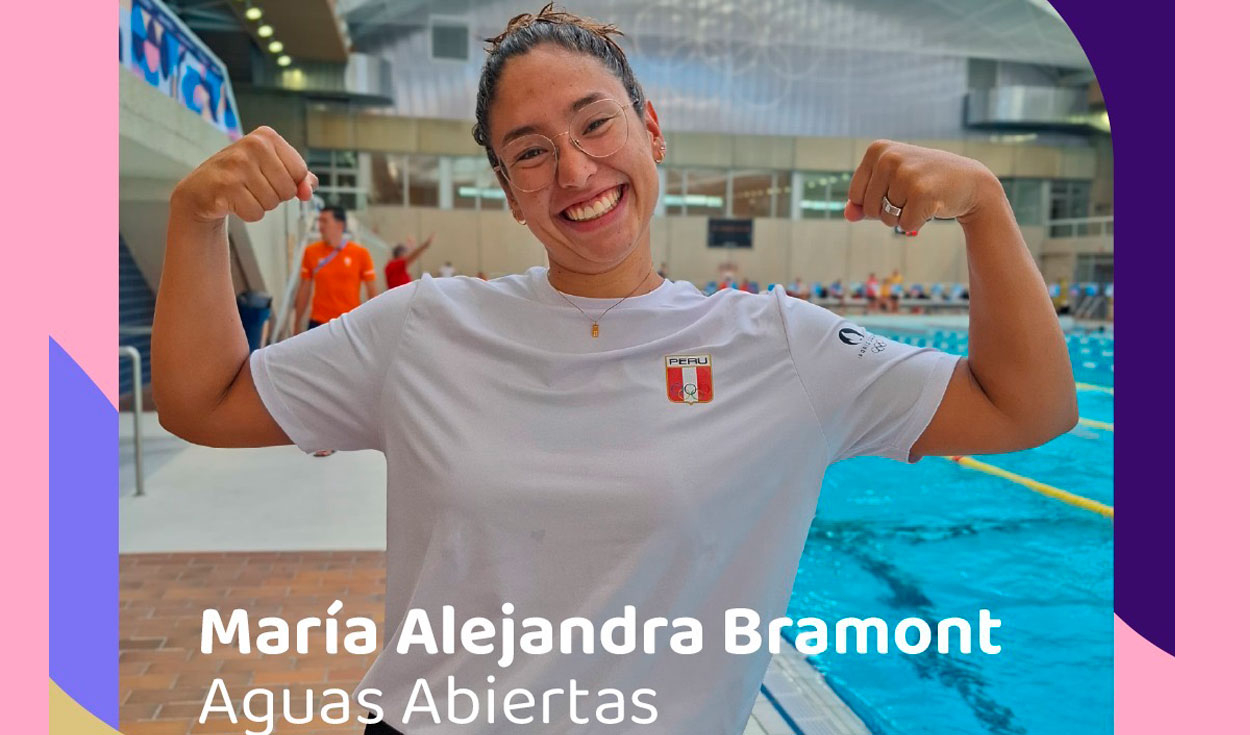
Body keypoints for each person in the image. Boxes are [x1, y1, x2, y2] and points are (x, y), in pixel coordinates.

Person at [151, 6, 1076, 734]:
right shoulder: (425, 329)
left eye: (596, 125)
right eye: (531, 153)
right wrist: (194, 220)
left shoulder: (781, 347)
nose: (575, 169)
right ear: (510, 193)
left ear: (652, 130)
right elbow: (204, 400)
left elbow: (1026, 407)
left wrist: (988, 210)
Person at [293, 206, 378, 333]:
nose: (320, 226)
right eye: (319, 221)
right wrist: (297, 322)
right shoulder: (310, 252)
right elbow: (304, 289)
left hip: (349, 323)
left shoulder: (360, 253)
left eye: (325, 221)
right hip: (318, 323)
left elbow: (372, 292)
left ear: (340, 225)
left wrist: (373, 322)